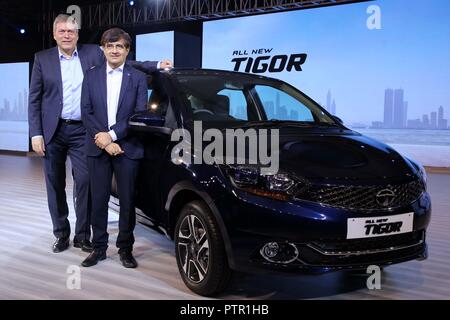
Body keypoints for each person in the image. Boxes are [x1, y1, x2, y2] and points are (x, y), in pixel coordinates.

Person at [28, 14, 171, 254]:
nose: (66, 35)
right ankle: (61, 233)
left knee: (85, 183)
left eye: (71, 31)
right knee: (54, 184)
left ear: (77, 34)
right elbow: (34, 99)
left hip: (84, 130)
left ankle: (83, 235)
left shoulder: (93, 52)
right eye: (62, 31)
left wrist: (156, 65)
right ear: (54, 34)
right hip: (52, 131)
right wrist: (35, 133)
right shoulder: (42, 59)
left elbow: (125, 62)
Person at [80, 28, 147, 268]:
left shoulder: (138, 78)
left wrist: (111, 135)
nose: (114, 50)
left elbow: (138, 114)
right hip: (98, 147)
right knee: (97, 200)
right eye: (110, 46)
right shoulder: (91, 75)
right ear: (103, 49)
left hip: (127, 146)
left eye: (119, 46)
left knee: (128, 202)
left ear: (127, 50)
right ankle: (98, 248)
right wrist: (104, 141)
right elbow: (85, 111)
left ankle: (125, 249)